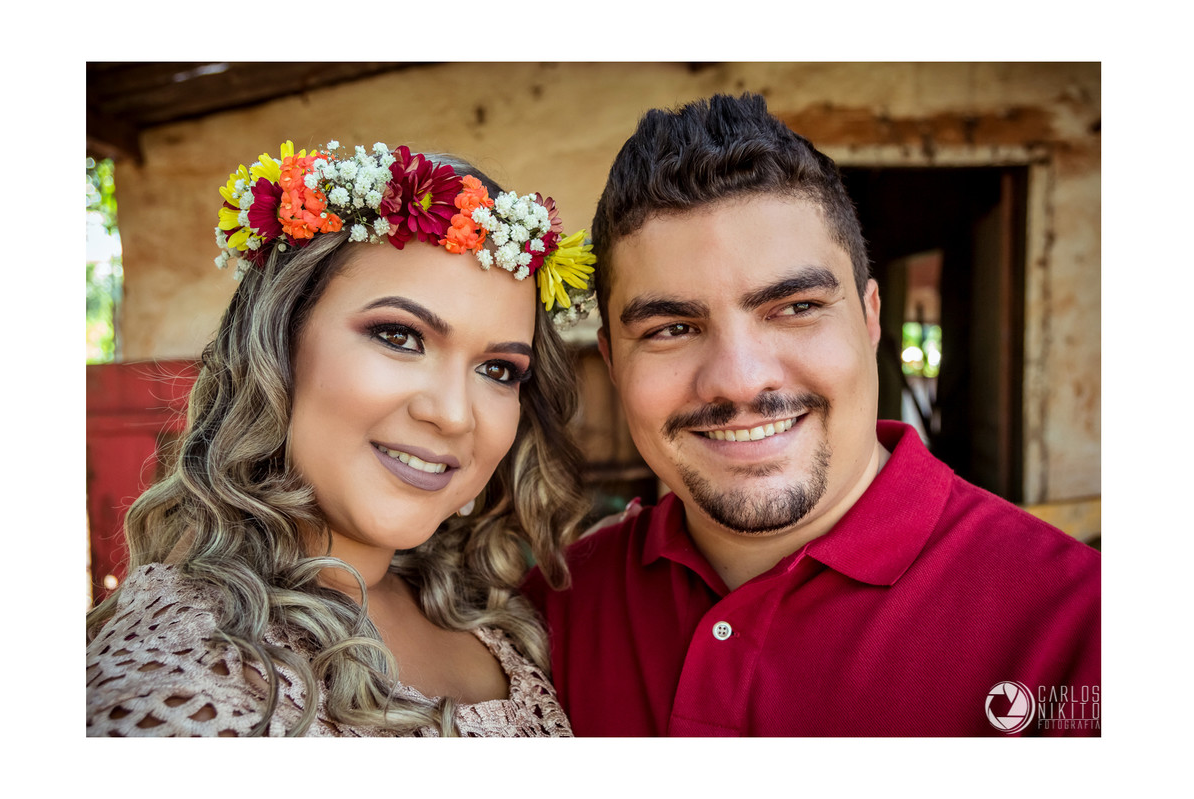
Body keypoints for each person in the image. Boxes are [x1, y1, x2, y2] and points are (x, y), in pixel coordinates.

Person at [523, 94, 1101, 737]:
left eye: (795, 307)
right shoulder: (551, 614)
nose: (740, 381)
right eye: (672, 328)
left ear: (871, 317)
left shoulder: (1081, 629)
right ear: (611, 360)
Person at [86, 139, 598, 736]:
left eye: (498, 369)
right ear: (277, 348)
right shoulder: (175, 684)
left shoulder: (493, 619)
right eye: (400, 337)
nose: (456, 416)